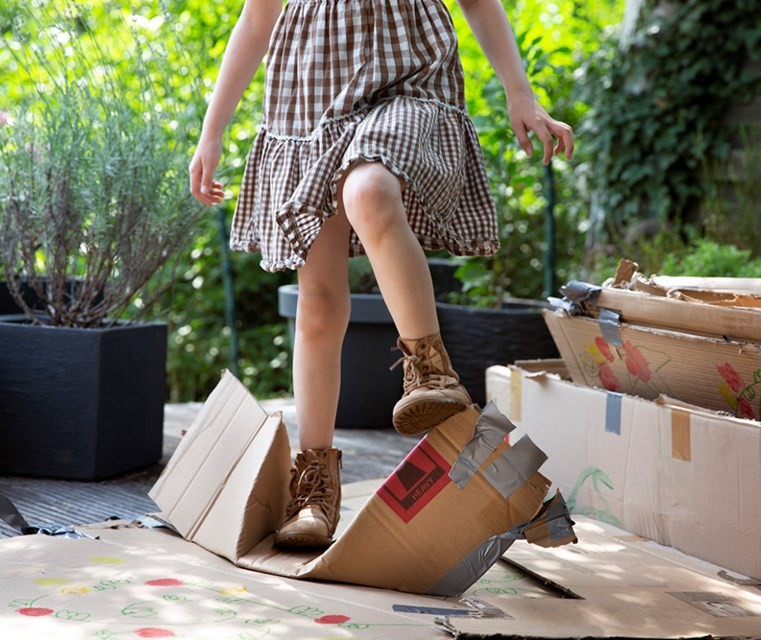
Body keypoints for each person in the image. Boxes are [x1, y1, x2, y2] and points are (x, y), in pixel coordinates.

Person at [189, 0, 574, 551]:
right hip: (309, 107)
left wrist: (520, 93)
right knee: (318, 305)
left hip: (408, 87)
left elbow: (480, 4)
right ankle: (315, 488)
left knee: (367, 190)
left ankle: (430, 369)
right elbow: (256, 19)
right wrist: (212, 132)